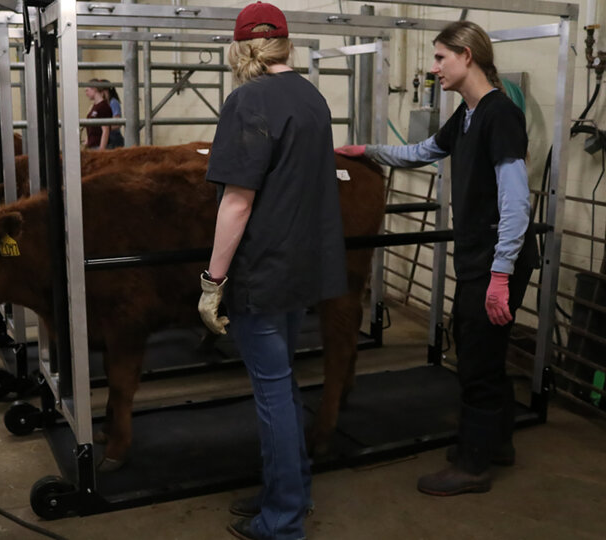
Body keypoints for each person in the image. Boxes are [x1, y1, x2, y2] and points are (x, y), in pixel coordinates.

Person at [336, 20, 539, 496]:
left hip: (496, 258)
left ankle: (473, 465)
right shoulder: (467, 114)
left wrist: (499, 275)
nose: (433, 68)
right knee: (479, 347)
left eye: (441, 58)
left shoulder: (499, 115)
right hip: (480, 256)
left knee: (477, 360)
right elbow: (424, 151)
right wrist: (370, 151)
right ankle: (498, 442)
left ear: (467, 56)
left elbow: (516, 201)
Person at [198, 2, 348, 539]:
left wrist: (213, 281)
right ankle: (287, 493)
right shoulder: (313, 97)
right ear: (287, 45)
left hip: (261, 270)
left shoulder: (246, 101)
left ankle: (282, 521)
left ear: (240, 49)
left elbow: (237, 201)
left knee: (272, 392)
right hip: (302, 265)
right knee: (282, 387)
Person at [84, 79, 112, 150]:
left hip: (98, 146)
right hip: (93, 145)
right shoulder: (95, 106)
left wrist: (101, 149)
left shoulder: (103, 107)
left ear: (94, 89)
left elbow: (105, 130)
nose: (86, 93)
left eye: (87, 90)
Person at [101, 80, 125, 148]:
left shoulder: (113, 102)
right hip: (110, 137)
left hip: (114, 139)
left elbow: (117, 123)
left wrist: (103, 130)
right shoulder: (106, 104)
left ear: (105, 91)